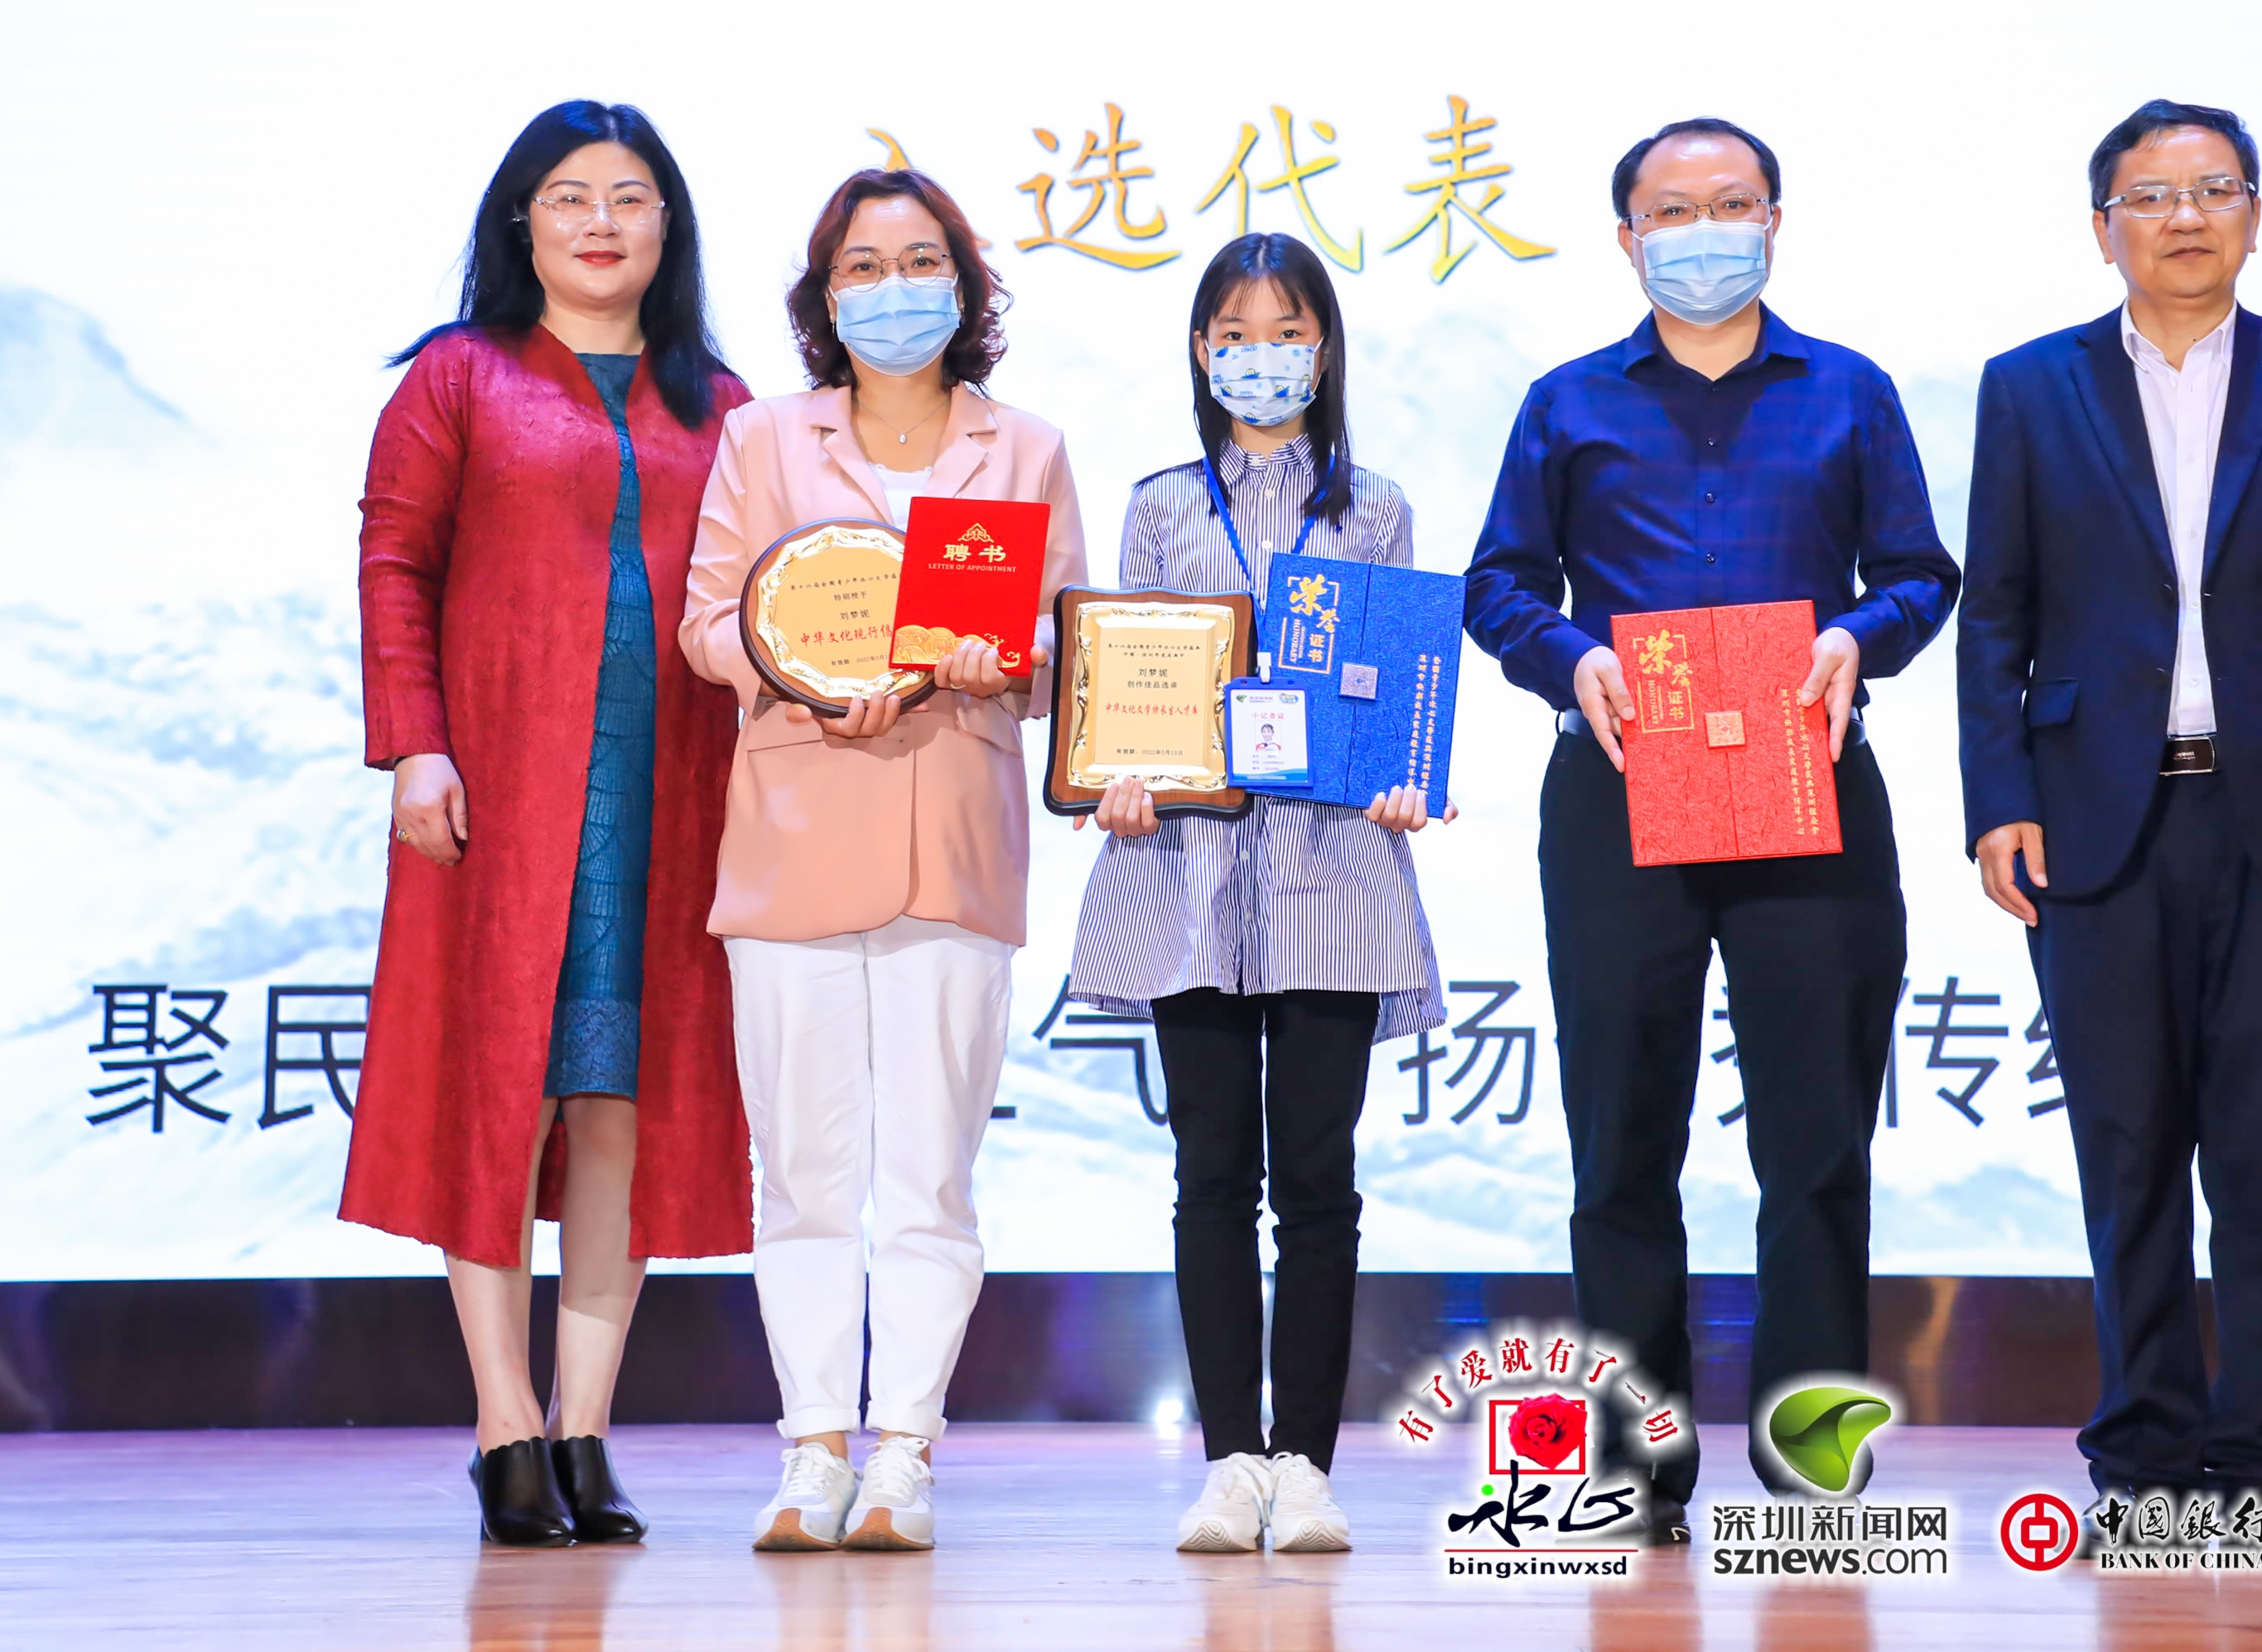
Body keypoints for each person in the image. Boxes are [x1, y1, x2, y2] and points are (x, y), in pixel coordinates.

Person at [1464, 118, 1956, 1531]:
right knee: (1621, 1145)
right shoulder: (1565, 402)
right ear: (1627, 239)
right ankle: (1629, 1472)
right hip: (1619, 786)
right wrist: (1570, 656)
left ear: (1774, 221)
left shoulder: (1849, 391)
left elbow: (1919, 572)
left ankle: (1809, 1465)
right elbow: (1499, 584)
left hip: (1808, 781)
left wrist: (1858, 635)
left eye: (1729, 204)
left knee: (1815, 1148)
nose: (1702, 232)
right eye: (1671, 212)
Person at [1956, 99, 2262, 1515]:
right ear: (2101, 227)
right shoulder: (2027, 386)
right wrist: (1997, 798)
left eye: (2213, 189)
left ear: (2254, 215)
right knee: (2124, 1149)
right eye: (2151, 195)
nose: (2183, 217)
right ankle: (2146, 1452)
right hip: (2091, 818)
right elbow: (1996, 619)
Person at [346, 99, 752, 1547]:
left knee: (619, 1102)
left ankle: (585, 1426)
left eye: (629, 197)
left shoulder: (723, 399)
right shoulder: (457, 376)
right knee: (495, 1095)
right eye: (569, 195)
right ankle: (504, 1424)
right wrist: (415, 745)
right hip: (498, 800)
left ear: (667, 226)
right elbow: (395, 561)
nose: (599, 222)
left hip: (672, 795)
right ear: (521, 219)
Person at [679, 168, 1086, 1554]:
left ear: (963, 289)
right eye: (863, 264)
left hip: (952, 838)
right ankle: (811, 1446)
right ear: (824, 292)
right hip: (794, 828)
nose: (892, 288)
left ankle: (903, 1446)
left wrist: (1005, 655)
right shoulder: (763, 436)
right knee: (800, 1169)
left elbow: (1063, 648)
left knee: (929, 1171)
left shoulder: (1023, 448)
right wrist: (795, 667)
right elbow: (708, 621)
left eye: (920, 262)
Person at [1064, 234, 1450, 1557]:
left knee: (1321, 1185)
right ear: (1199, 349)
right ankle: (1230, 1460)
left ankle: (1308, 1465)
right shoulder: (1163, 506)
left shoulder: (1375, 507)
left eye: (1286, 331)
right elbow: (1125, 682)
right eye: (1234, 332)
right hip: (1189, 878)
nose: (1260, 355)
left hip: (1335, 871)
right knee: (1210, 1176)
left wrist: (1402, 771)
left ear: (1323, 352)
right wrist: (1119, 774)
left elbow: (1396, 693)